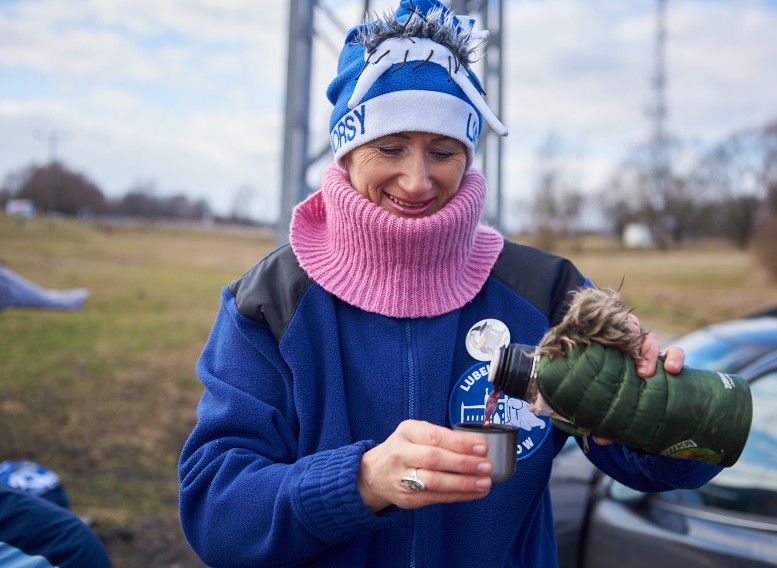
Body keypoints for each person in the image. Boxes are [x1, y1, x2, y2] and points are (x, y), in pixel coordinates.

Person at [177, 1, 721, 566]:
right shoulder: (270, 304)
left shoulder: (548, 294)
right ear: (346, 149)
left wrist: (661, 405)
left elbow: (667, 465)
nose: (417, 181)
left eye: (442, 151)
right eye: (390, 148)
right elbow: (216, 514)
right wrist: (361, 482)